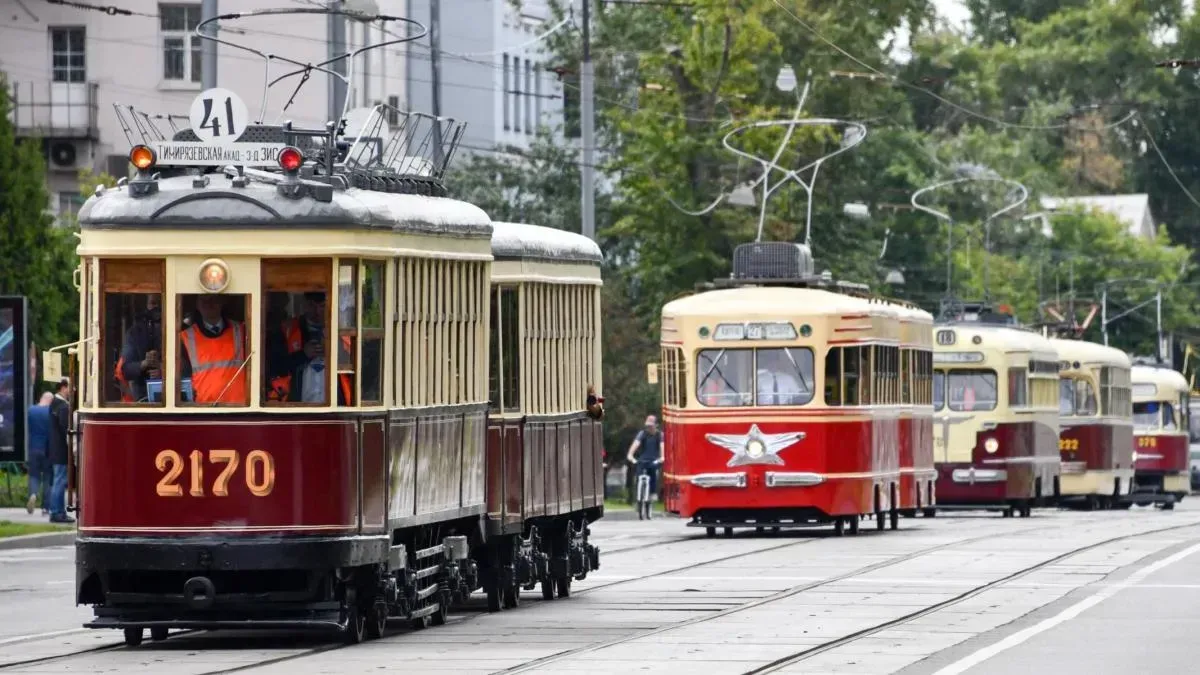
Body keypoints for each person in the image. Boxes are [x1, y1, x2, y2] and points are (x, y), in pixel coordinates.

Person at [179, 295, 248, 405]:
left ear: (222, 301)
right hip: (203, 411)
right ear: (197, 304)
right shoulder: (185, 337)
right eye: (204, 299)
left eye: (213, 299)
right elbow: (182, 378)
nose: (209, 303)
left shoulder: (242, 330)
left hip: (240, 408)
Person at [115, 294, 162, 402]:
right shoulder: (134, 333)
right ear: (146, 305)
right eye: (153, 303)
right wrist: (145, 363)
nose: (157, 308)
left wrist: (163, 369)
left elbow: (190, 368)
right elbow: (125, 370)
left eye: (161, 303)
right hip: (141, 401)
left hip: (176, 398)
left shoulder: (179, 330)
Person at [626, 415, 663, 517]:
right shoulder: (642, 434)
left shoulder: (659, 435)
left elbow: (662, 448)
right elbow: (635, 445)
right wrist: (630, 456)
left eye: (651, 425)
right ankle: (639, 498)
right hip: (642, 460)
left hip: (654, 460)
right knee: (638, 476)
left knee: (653, 475)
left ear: (656, 425)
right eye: (648, 425)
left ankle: (652, 493)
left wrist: (662, 458)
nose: (649, 427)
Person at [48, 379, 73, 524]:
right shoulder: (62, 406)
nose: (72, 390)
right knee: (60, 481)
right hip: (61, 450)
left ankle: (57, 511)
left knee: (58, 480)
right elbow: (66, 429)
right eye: (70, 387)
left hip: (55, 449)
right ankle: (57, 512)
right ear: (63, 388)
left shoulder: (54, 404)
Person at [25, 392, 52, 514]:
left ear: (41, 398)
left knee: (34, 475)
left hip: (33, 448)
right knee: (47, 477)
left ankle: (33, 494)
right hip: (47, 449)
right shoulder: (50, 412)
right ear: (50, 401)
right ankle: (46, 507)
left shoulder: (31, 410)